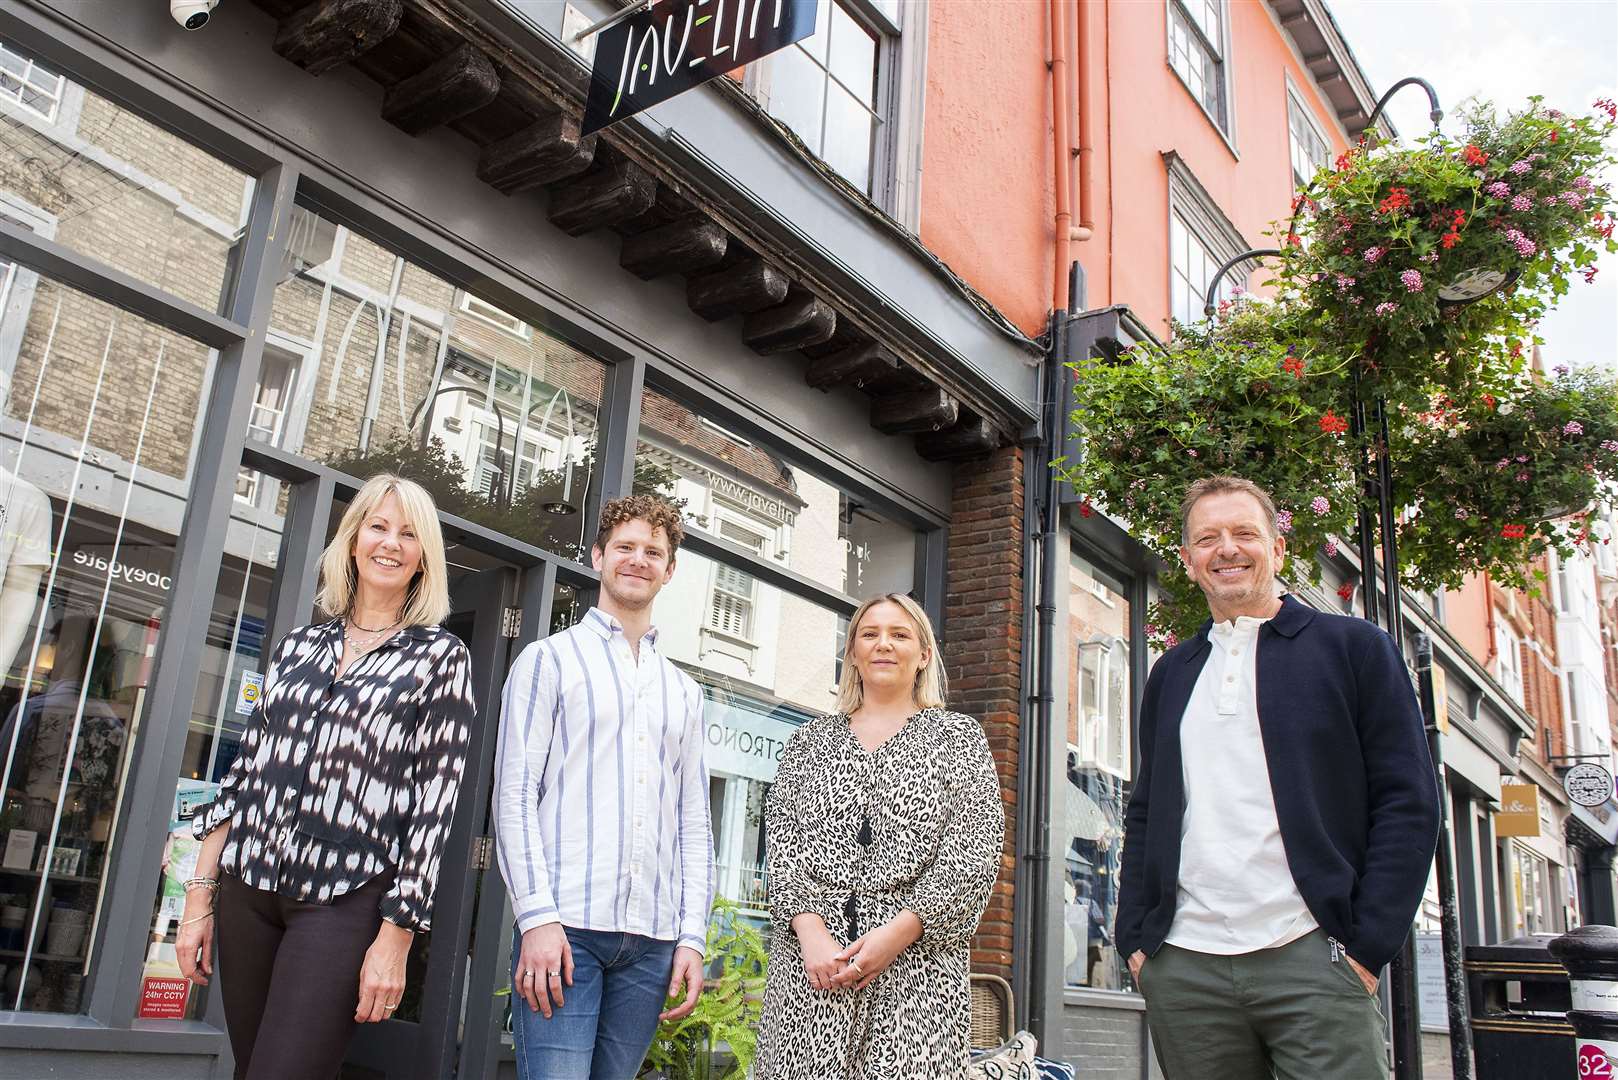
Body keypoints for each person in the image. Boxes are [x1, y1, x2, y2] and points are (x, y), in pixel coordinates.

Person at [1116, 476, 1440, 1079]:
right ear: (1188, 563)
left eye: (1245, 533)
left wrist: (1367, 945)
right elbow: (1148, 808)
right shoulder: (1173, 673)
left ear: (1279, 549)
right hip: (1186, 965)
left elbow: (1409, 801)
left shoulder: (1355, 648)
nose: (1227, 549)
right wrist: (1135, 936)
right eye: (1207, 538)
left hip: (1314, 955)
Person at [176, 474, 475, 1080]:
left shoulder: (440, 658)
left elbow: (434, 808)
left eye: (409, 534)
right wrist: (200, 898)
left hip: (342, 900)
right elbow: (245, 773)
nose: (390, 543)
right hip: (249, 888)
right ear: (354, 538)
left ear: (425, 557)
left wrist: (397, 936)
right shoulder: (299, 645)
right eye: (378, 526)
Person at [492, 494, 714, 1080]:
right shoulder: (547, 661)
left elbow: (694, 825)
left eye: (653, 552)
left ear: (670, 570)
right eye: (625, 548)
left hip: (653, 945)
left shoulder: (684, 693)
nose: (638, 560)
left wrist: (691, 938)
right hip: (566, 933)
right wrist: (536, 919)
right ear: (597, 556)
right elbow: (513, 797)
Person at [755, 593, 1004, 1079]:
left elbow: (974, 851)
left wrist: (900, 932)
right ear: (851, 652)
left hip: (917, 976)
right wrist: (810, 935)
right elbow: (781, 840)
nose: (883, 645)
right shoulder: (810, 742)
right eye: (869, 635)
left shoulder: (959, 739)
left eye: (899, 634)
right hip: (812, 973)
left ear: (924, 654)